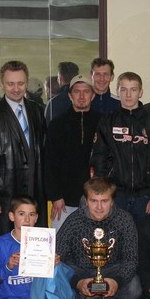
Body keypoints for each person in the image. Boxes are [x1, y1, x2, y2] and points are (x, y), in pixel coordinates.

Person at [56, 177, 142, 299]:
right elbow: (57, 255)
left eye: (105, 201)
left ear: (112, 201)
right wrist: (76, 281)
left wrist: (117, 281)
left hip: (112, 269)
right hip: (79, 269)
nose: (99, 207)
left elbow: (131, 258)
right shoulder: (73, 221)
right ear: (86, 200)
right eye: (94, 201)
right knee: (57, 277)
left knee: (134, 288)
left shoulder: (125, 220)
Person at [0, 60, 48, 236]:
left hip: (34, 190)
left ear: (27, 82)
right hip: (5, 193)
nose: (16, 89)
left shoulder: (37, 111)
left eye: (20, 83)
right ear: (2, 84)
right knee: (6, 242)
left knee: (35, 243)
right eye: (10, 84)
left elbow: (43, 151)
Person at [90, 72, 150, 223]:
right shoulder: (107, 122)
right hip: (116, 196)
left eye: (133, 89)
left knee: (144, 237)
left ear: (141, 92)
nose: (128, 95)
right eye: (124, 89)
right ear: (117, 91)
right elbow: (99, 159)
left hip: (146, 196)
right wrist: (104, 196)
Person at [45, 74, 101, 230]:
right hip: (64, 202)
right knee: (62, 242)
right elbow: (50, 163)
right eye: (77, 91)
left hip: (96, 200)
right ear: (70, 96)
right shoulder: (57, 125)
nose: (81, 96)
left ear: (93, 95)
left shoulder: (103, 123)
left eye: (86, 91)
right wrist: (55, 196)